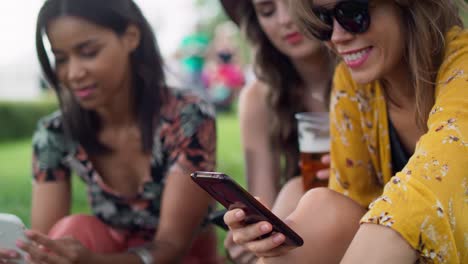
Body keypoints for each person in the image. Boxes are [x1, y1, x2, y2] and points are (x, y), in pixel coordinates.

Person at [224, 0, 468, 263]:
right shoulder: (351, 83)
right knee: (310, 201)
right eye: (322, 19)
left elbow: (419, 201)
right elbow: (354, 201)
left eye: (353, 13)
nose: (337, 36)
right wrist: (265, 236)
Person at [0, 0, 221, 263]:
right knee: (72, 231)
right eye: (61, 59)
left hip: (183, 257)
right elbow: (47, 240)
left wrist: (95, 262)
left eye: (89, 52)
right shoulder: (55, 134)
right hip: (108, 250)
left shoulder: (187, 116)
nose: (73, 73)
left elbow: (173, 245)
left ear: (130, 37)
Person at [219, 0, 335, 263]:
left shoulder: (365, 72)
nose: (285, 19)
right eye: (267, 10)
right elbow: (264, 205)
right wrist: (251, 234)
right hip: (302, 236)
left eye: (297, 3)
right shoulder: (259, 98)